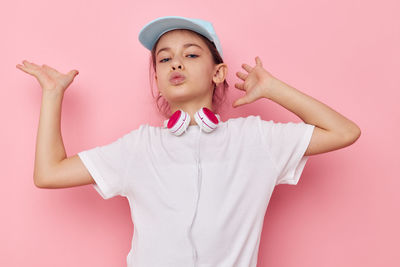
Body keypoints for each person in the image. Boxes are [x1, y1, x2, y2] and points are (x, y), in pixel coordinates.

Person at [16, 15, 360, 267]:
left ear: (218, 72)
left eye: (191, 54)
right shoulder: (139, 148)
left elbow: (344, 132)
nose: (175, 62)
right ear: (158, 78)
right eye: (164, 58)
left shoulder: (256, 139)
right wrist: (52, 95)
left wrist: (274, 89)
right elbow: (49, 173)